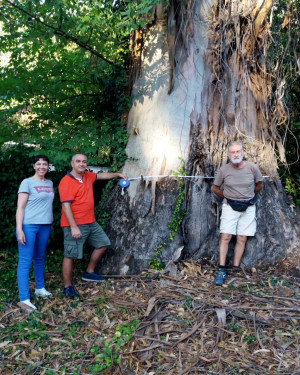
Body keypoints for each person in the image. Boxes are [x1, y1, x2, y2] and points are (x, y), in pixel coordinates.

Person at [58, 153, 126, 298]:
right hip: (74, 224)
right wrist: (73, 226)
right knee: (70, 255)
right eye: (78, 161)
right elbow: (66, 206)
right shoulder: (66, 181)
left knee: (103, 243)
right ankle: (67, 286)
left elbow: (101, 176)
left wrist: (117, 174)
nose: (81, 164)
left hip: (90, 222)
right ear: (72, 163)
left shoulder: (87, 176)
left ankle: (89, 272)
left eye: (84, 161)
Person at [212, 141, 264, 285]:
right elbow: (215, 188)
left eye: (238, 151)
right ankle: (221, 269)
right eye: (233, 152)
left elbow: (260, 184)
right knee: (226, 236)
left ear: (243, 152)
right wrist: (229, 197)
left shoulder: (252, 167)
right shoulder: (224, 170)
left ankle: (235, 268)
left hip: (248, 206)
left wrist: (248, 196)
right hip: (229, 206)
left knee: (242, 238)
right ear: (229, 155)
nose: (236, 154)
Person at [16, 155, 54, 310]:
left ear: (48, 167)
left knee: (39, 258)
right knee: (25, 261)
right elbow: (21, 207)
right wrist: (19, 229)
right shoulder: (27, 182)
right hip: (28, 226)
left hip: (45, 226)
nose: (42, 167)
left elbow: (47, 204)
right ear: (34, 166)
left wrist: (50, 222)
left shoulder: (50, 183)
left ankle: (39, 289)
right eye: (38, 164)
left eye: (44, 164)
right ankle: (24, 298)